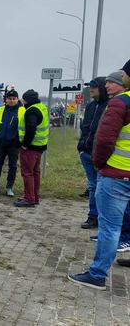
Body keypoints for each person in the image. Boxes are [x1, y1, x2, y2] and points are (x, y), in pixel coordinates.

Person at [68, 64, 130, 290]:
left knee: (110, 227)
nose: (120, 78)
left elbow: (104, 140)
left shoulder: (121, 102)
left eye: (123, 74)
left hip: (117, 174)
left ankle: (97, 274)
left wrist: (100, 163)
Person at [77, 76, 110, 229]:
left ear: (102, 88)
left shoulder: (110, 106)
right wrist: (82, 147)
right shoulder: (90, 106)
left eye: (94, 87)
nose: (91, 89)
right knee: (92, 186)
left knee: (102, 187)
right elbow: (85, 127)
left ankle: (103, 218)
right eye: (90, 86)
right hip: (86, 152)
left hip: (102, 155)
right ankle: (93, 216)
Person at [14, 89, 49, 208]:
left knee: (27, 173)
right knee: (35, 172)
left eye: (24, 99)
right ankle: (34, 197)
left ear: (27, 100)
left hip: (31, 148)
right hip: (40, 146)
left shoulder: (31, 111)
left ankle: (29, 199)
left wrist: (24, 144)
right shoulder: (42, 107)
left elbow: (31, 128)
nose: (23, 102)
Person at [0, 89, 23, 197]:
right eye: (9, 99)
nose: (11, 101)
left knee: (13, 166)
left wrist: (18, 141)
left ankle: (9, 188)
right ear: (6, 99)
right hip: (1, 143)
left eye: (13, 99)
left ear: (17, 99)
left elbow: (24, 127)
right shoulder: (0, 110)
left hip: (14, 144)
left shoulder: (22, 111)